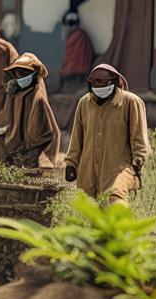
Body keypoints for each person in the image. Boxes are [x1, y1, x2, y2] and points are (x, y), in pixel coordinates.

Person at [64, 64, 150, 203]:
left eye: (103, 83)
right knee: (88, 210)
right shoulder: (84, 103)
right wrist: (71, 163)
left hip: (118, 170)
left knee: (114, 202)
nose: (99, 87)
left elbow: (139, 140)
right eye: (95, 83)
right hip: (88, 172)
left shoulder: (131, 103)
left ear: (114, 82)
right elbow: (76, 138)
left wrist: (138, 163)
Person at [0, 52, 60, 168]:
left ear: (34, 75)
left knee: (28, 162)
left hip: (31, 150)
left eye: (25, 73)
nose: (20, 76)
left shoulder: (38, 99)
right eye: (18, 73)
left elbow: (49, 134)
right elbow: (4, 119)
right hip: (14, 147)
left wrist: (28, 147)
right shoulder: (14, 93)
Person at [59, 12, 94, 94]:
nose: (69, 26)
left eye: (71, 23)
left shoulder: (79, 35)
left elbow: (73, 58)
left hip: (78, 72)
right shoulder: (73, 35)